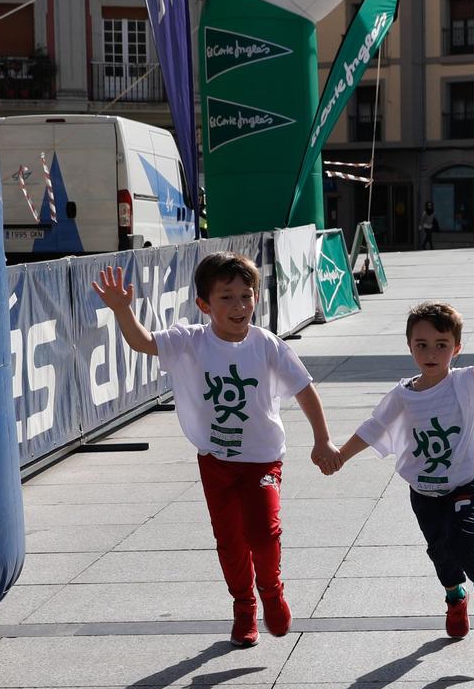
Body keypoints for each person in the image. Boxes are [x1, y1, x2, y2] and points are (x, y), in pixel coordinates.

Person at [92, 253, 336, 649]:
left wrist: (322, 439)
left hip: (262, 458)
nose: (239, 306)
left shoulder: (268, 345)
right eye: (226, 298)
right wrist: (122, 310)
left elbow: (304, 389)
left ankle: (271, 591)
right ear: (204, 304)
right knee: (230, 540)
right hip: (216, 462)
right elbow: (142, 342)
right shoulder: (189, 341)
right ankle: (244, 608)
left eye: (246, 295)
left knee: (263, 530)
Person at [326, 286, 474, 638]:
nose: (431, 353)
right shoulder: (403, 394)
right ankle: (455, 597)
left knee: (462, 540)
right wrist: (342, 454)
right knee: (439, 550)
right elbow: (375, 426)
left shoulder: (464, 383)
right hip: (423, 491)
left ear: (457, 348)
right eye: (422, 344)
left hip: (464, 485)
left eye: (441, 345)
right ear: (409, 347)